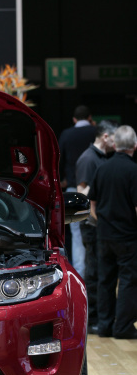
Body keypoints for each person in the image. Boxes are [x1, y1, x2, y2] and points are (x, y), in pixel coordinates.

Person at [89, 125, 137, 340]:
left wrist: (103, 223)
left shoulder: (102, 168)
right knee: (128, 281)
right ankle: (123, 327)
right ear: (135, 146)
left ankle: (104, 326)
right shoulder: (134, 171)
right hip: (127, 236)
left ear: (115, 144)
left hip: (104, 235)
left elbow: (92, 204)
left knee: (105, 280)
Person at [75, 120, 117, 333]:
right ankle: (92, 320)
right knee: (93, 272)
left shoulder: (101, 158)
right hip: (92, 225)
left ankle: (102, 317)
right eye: (115, 137)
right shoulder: (89, 159)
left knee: (100, 271)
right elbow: (83, 194)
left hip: (99, 224)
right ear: (106, 137)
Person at [58, 105, 97, 277]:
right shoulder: (95, 131)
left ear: (74, 119)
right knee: (96, 229)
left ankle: (80, 272)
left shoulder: (66, 134)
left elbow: (59, 159)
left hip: (74, 187)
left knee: (76, 232)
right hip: (95, 188)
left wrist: (62, 180)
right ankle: (94, 270)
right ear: (89, 117)